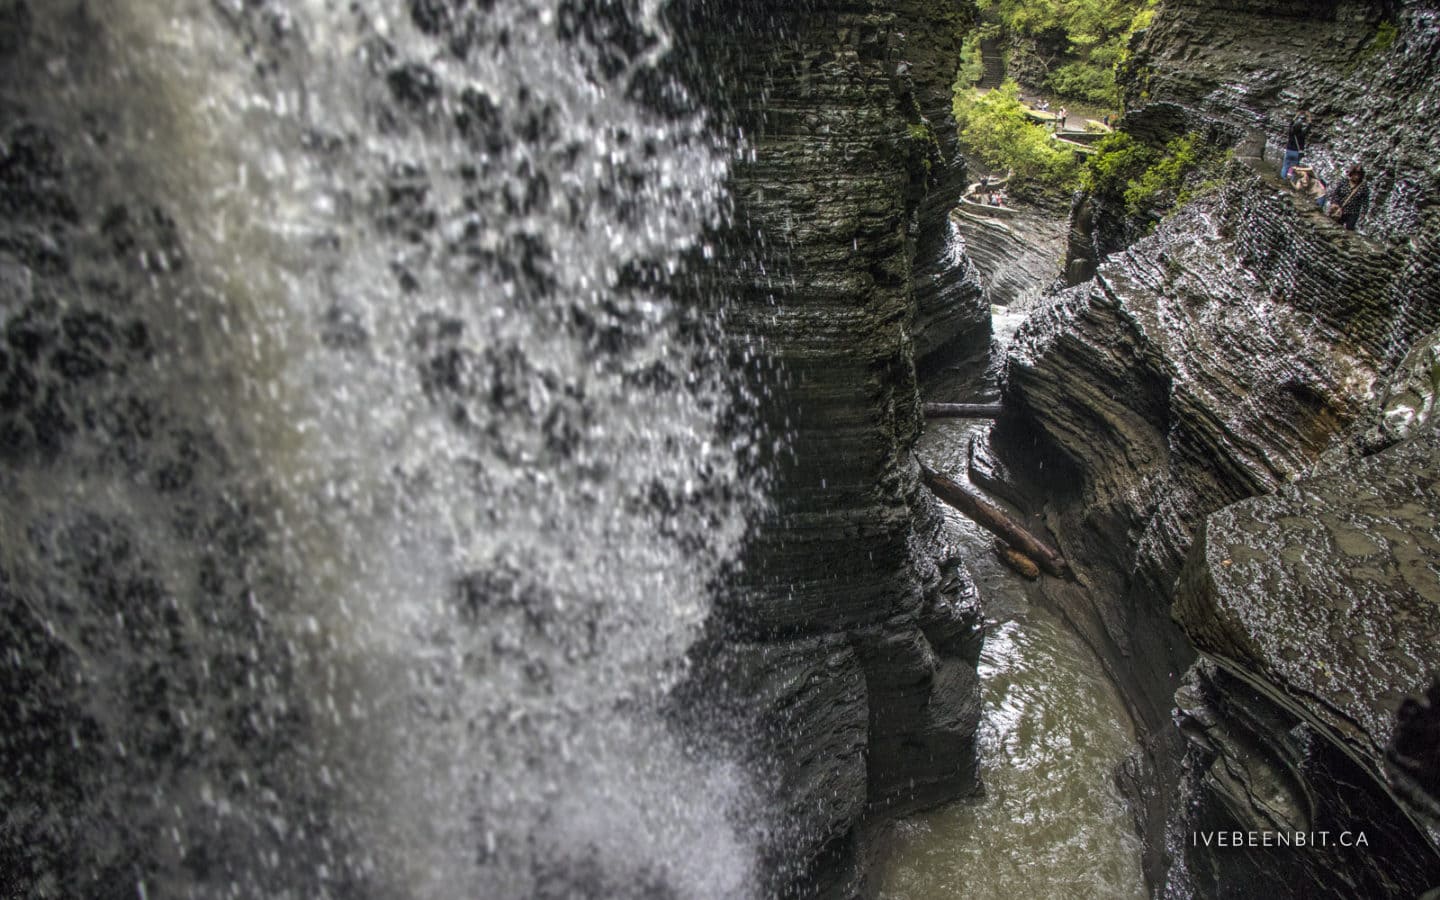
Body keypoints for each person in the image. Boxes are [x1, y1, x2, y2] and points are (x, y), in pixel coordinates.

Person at [1325, 163, 1369, 230]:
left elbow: (1365, 200)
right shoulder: (1344, 182)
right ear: (1351, 174)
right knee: (1336, 226)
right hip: (1340, 209)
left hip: (1353, 212)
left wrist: (1364, 213)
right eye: (1355, 174)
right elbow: (1336, 193)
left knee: (1350, 228)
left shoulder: (1363, 187)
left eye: (1359, 175)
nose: (1357, 177)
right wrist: (1334, 203)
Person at [1282, 110, 1309, 179]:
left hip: (1289, 150)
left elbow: (1290, 124)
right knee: (1293, 168)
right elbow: (1309, 127)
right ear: (1301, 128)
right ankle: (1291, 180)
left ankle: (1283, 178)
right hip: (1297, 153)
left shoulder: (1291, 132)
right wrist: (1309, 116)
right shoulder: (1302, 134)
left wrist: (1296, 115)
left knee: (1285, 165)